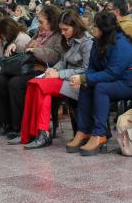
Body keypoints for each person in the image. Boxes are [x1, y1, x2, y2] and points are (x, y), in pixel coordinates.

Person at [65, 11, 132, 156]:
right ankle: (83, 130)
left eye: (95, 26)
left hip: (131, 81)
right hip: (116, 79)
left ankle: (99, 134)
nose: (92, 28)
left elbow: (112, 72)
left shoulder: (122, 43)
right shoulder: (98, 42)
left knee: (101, 88)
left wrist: (85, 78)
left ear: (103, 29)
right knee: (87, 86)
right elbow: (92, 67)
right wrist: (82, 78)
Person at [0, 5, 62, 143]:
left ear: (51, 20)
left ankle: (20, 127)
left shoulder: (58, 35)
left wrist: (35, 49)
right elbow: (27, 48)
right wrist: (14, 45)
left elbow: (55, 57)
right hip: (30, 66)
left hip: (43, 69)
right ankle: (7, 123)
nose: (39, 25)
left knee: (15, 83)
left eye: (41, 21)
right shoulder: (38, 32)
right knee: (0, 81)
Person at [19, 10, 94, 148]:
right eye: (61, 29)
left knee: (40, 85)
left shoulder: (87, 41)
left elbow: (86, 69)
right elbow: (62, 60)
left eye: (66, 29)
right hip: (66, 79)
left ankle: (42, 134)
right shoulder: (67, 39)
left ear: (75, 26)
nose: (63, 33)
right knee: (36, 85)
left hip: (79, 82)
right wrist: (54, 69)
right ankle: (40, 132)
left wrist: (59, 74)